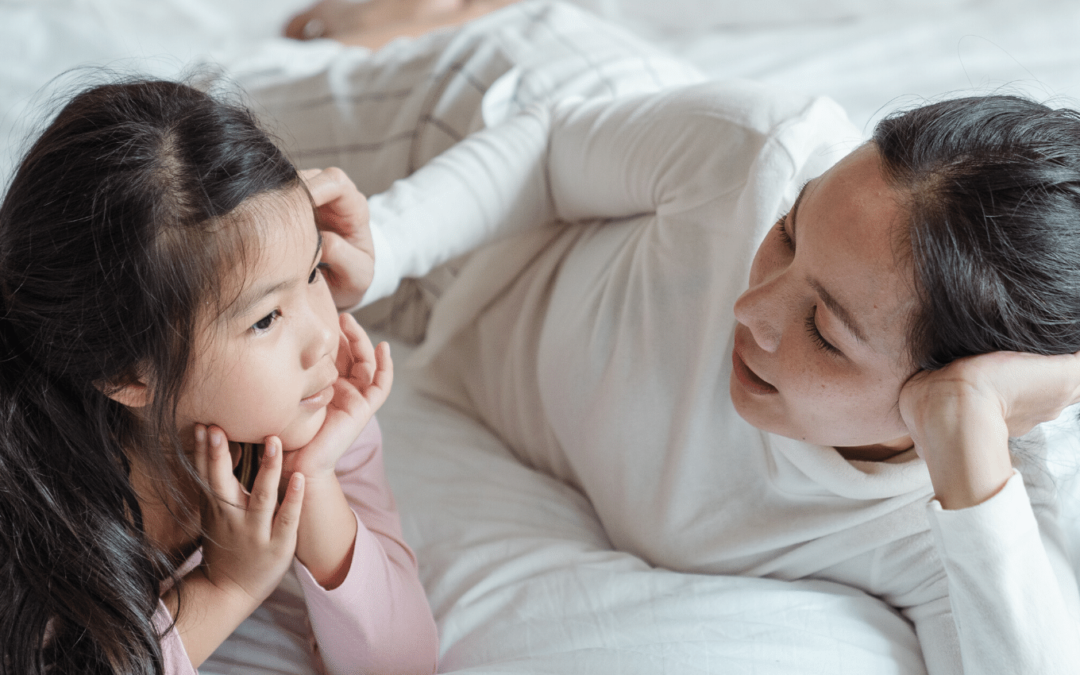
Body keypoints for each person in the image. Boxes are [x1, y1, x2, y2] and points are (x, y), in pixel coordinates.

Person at [283, 15, 1080, 675]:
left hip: (464, 343)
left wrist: (973, 425)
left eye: (823, 332)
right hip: (473, 139)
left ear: (936, 401)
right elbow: (554, 150)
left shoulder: (936, 517)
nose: (753, 308)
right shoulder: (757, 150)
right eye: (788, 235)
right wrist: (386, 238)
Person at [0, 80, 438, 674]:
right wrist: (227, 587)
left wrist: (313, 478)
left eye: (313, 272)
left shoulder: (306, 408)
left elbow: (400, 663)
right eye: (265, 320)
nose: (324, 336)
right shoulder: (42, 508)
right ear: (127, 374)